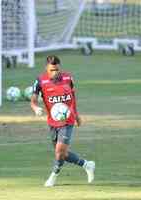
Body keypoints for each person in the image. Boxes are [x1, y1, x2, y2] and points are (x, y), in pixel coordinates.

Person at [30, 55, 95, 187]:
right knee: (62, 154)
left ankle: (53, 177)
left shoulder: (68, 78)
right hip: (52, 122)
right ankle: (87, 165)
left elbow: (73, 98)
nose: (54, 72)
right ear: (46, 68)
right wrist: (36, 108)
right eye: (51, 70)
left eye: (56, 70)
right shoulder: (40, 81)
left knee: (60, 151)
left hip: (67, 120)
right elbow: (33, 100)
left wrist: (76, 115)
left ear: (59, 68)